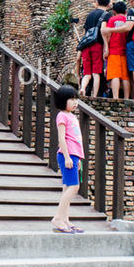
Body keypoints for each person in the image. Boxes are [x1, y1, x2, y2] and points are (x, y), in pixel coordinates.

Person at [52, 85, 84, 233]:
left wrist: (78, 159)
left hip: (74, 156)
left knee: (67, 188)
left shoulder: (72, 116)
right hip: (67, 155)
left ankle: (65, 219)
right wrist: (66, 157)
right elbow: (61, 139)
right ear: (63, 100)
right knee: (74, 187)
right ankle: (58, 218)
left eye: (76, 99)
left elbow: (76, 140)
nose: (74, 102)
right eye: (71, 99)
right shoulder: (62, 116)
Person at [79, 0, 110, 97]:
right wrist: (106, 47)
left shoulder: (90, 15)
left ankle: (82, 88)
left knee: (87, 72)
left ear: (97, 2)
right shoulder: (107, 15)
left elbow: (85, 32)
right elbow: (105, 32)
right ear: (109, 3)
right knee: (96, 73)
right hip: (97, 45)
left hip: (86, 45)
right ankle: (95, 96)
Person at [102, 1, 131, 100]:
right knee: (125, 76)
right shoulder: (128, 20)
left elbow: (108, 34)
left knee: (115, 75)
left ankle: (115, 97)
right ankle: (127, 98)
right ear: (125, 10)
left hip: (113, 50)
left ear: (114, 11)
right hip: (125, 51)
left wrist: (106, 48)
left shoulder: (112, 19)